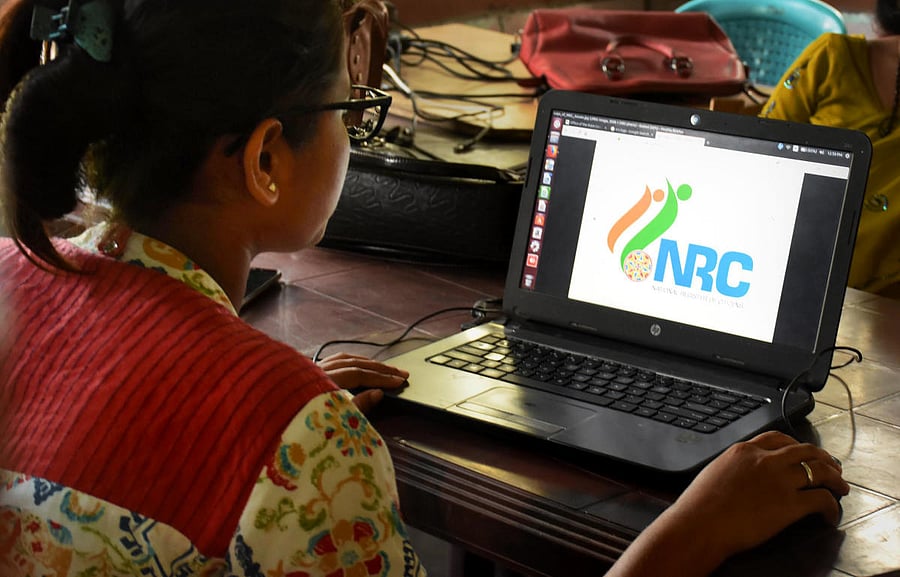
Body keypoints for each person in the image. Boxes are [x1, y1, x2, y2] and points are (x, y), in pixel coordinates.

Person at [0, 0, 849, 576]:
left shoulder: (13, 283)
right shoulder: (294, 439)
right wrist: (688, 539)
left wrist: (281, 413)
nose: (359, 124)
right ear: (264, 159)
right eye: (353, 108)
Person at [760, 0, 900, 297]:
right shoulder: (833, 58)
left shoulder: (833, 57)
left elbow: (757, 152)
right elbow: (758, 154)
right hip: (808, 287)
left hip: (804, 285)